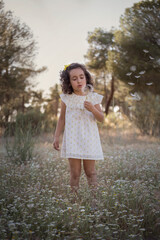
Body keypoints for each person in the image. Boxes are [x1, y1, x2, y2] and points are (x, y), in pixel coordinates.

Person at [53, 63, 104, 197]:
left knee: (91, 172)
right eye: (74, 78)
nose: (79, 81)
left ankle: (95, 202)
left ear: (86, 78)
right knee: (75, 173)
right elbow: (62, 119)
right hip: (73, 140)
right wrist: (56, 137)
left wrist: (93, 109)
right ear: (69, 82)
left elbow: (101, 118)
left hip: (89, 140)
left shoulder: (93, 97)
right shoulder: (66, 98)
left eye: (81, 77)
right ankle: (75, 203)